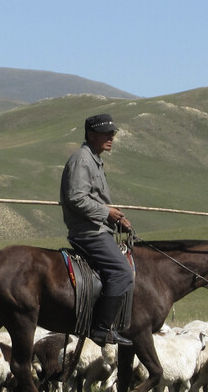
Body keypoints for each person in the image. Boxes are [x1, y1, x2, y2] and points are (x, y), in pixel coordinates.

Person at [59, 113, 134, 346]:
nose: (111, 136)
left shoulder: (95, 160)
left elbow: (94, 198)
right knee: (122, 272)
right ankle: (102, 329)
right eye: (106, 133)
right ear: (91, 134)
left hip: (100, 228)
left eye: (113, 133)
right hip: (88, 233)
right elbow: (76, 198)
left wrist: (115, 219)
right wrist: (106, 214)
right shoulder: (82, 160)